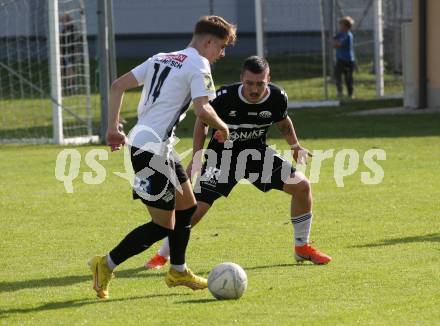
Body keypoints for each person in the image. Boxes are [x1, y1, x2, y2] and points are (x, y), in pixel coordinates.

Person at [88, 15, 236, 299]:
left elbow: (118, 85)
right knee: (161, 225)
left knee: (187, 207)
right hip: (148, 153)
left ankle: (177, 270)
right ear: (208, 42)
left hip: (156, 148)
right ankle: (104, 264)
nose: (222, 53)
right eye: (221, 46)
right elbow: (203, 109)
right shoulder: (199, 64)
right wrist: (224, 127)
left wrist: (112, 128)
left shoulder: (162, 57)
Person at [145, 56, 332, 270]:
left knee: (302, 186)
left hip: (256, 156)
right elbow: (202, 122)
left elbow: (282, 121)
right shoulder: (225, 97)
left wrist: (295, 146)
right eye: (250, 83)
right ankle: (163, 254)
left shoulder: (278, 97)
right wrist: (197, 157)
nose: (254, 89)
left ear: (268, 79)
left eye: (260, 84)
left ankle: (302, 248)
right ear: (242, 78)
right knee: (195, 210)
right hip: (221, 158)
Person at [333, 16, 355, 99]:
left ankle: (350, 94)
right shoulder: (340, 34)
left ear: (346, 27)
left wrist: (335, 43)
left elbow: (337, 44)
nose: (340, 27)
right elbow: (333, 39)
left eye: (341, 25)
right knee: (337, 75)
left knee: (348, 78)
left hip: (348, 60)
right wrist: (334, 41)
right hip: (340, 59)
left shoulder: (348, 35)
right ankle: (340, 92)